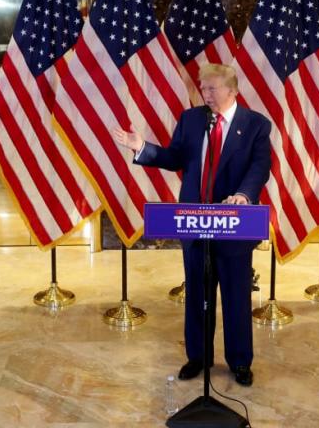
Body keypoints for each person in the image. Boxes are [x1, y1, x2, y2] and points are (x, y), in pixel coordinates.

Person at [112, 64, 271, 387]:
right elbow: (175, 158)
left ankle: (240, 362)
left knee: (236, 297)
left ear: (231, 90)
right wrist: (142, 148)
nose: (206, 94)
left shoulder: (255, 124)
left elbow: (259, 167)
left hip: (234, 228)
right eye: (203, 87)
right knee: (198, 294)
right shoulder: (192, 119)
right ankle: (197, 357)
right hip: (195, 225)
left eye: (212, 88)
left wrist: (243, 194)